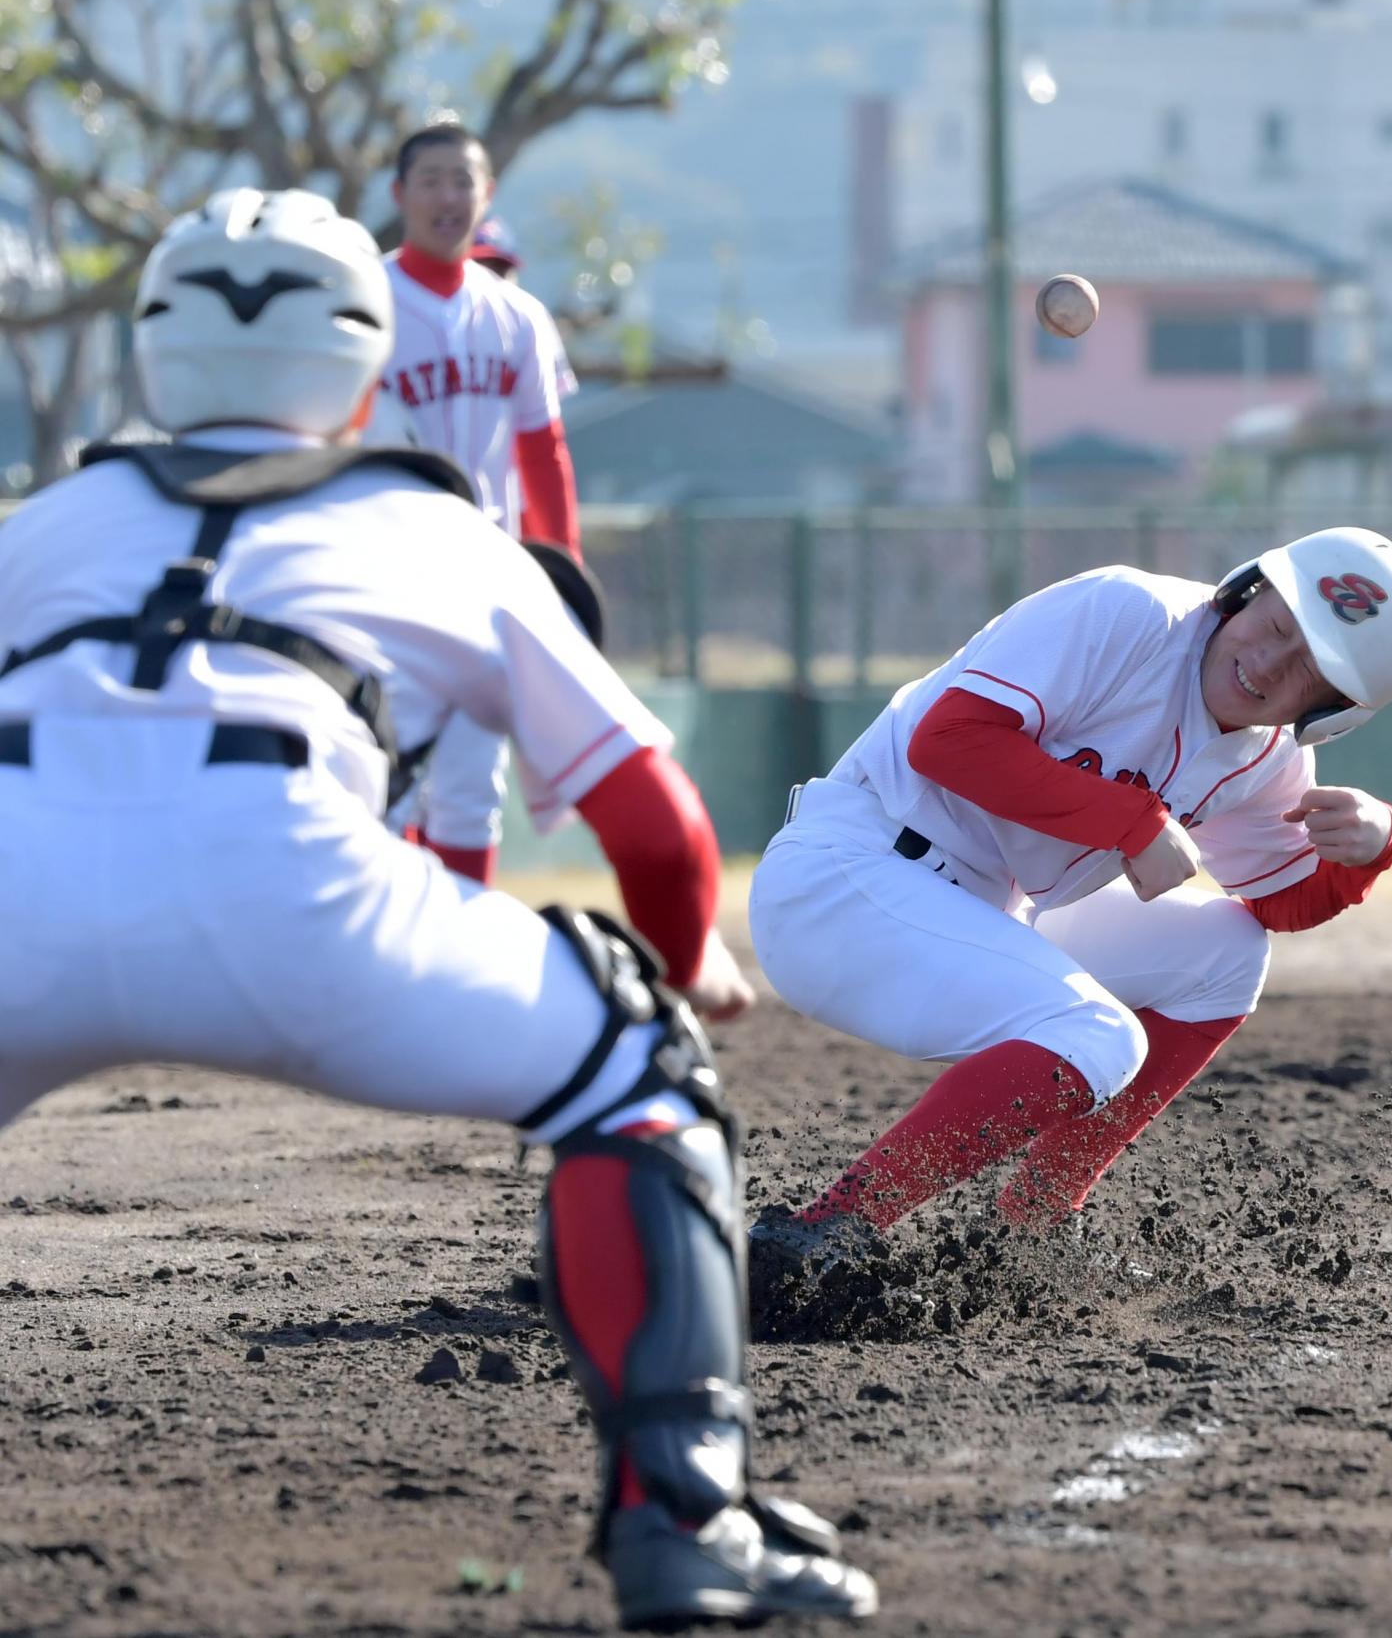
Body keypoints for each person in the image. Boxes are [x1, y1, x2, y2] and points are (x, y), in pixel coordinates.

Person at [0, 188, 874, 1631]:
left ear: (153, 346)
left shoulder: (50, 519)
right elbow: (655, 820)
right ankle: (684, 1521)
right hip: (293, 890)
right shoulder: (430, 520)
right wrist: (674, 969)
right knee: (637, 1080)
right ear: (363, 362)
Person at [744, 531, 1392, 1274]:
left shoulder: (1270, 758)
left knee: (1226, 956)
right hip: (846, 877)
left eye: (1310, 667)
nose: (1269, 662)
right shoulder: (1128, 614)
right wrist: (1133, 823)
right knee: (1100, 1036)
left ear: (1334, 710)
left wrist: (1373, 842)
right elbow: (948, 740)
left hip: (979, 908)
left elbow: (1279, 902)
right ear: (1251, 587)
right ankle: (824, 1232)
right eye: (1276, 625)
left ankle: (1033, 1220)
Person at [382, 122, 583, 886]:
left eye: (462, 180)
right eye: (430, 179)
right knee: (381, 787)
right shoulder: (363, 304)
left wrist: (561, 571)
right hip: (384, 581)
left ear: (487, 194)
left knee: (469, 792)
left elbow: (544, 453)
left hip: (485, 585)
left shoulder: (518, 314)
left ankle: (454, 950)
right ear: (400, 195)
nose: (447, 196)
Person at [468, 212, 586, 549]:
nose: (491, 279)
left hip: (519, 503)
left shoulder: (526, 318)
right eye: (479, 267)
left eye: (499, 269)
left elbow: (546, 444)